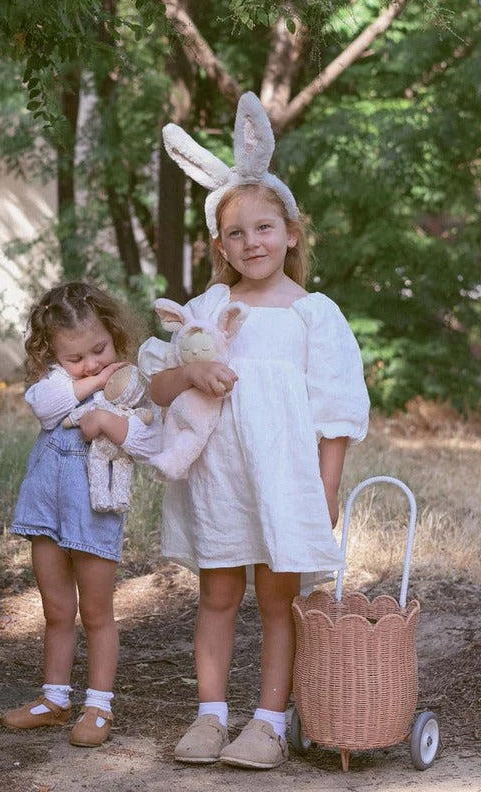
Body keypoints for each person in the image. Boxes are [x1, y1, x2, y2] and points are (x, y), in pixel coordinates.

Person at [139, 92, 370, 770]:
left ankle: (268, 721)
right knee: (216, 595)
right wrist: (190, 379)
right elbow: (156, 384)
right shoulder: (209, 308)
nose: (253, 243)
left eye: (265, 229)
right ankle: (210, 715)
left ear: (292, 232)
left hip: (283, 480)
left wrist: (324, 492)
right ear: (220, 246)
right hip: (218, 479)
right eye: (237, 235)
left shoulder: (314, 315)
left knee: (277, 600)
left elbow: (336, 415)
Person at [1, 280, 160, 747]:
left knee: (96, 612)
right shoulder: (55, 386)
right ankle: (54, 700)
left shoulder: (129, 389)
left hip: (94, 511)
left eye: (100, 349)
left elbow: (149, 441)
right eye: (75, 359)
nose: (91, 363)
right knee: (55, 610)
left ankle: (98, 706)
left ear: (115, 335)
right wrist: (91, 382)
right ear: (51, 356)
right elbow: (46, 409)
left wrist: (109, 418)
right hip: (47, 511)